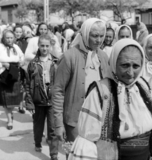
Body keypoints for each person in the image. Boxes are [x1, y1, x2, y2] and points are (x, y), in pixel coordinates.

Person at [68, 39, 152, 160]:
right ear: (114, 63)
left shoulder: (143, 87)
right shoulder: (101, 92)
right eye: (125, 65)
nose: (130, 73)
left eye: (136, 66)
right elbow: (87, 139)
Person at [52, 18, 112, 147]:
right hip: (75, 120)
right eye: (95, 36)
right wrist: (58, 124)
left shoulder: (103, 56)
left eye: (102, 36)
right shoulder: (70, 57)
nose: (99, 40)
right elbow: (58, 91)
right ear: (85, 34)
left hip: (99, 119)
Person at [25, 34, 59, 160]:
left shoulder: (56, 62)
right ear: (38, 46)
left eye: (47, 46)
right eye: (42, 45)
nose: (44, 48)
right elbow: (28, 84)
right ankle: (38, 141)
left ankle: (54, 153)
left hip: (52, 100)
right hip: (38, 100)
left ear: (51, 46)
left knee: (53, 128)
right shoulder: (33, 64)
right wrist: (29, 102)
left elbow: (61, 83)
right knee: (38, 126)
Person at [0, 30, 24, 130]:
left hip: (14, 74)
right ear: (3, 38)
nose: (9, 40)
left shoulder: (16, 47)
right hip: (2, 74)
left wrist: (18, 64)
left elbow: (22, 58)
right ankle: (9, 119)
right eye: (7, 38)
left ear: (14, 38)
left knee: (14, 98)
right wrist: (4, 65)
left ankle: (11, 112)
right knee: (5, 98)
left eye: (11, 37)